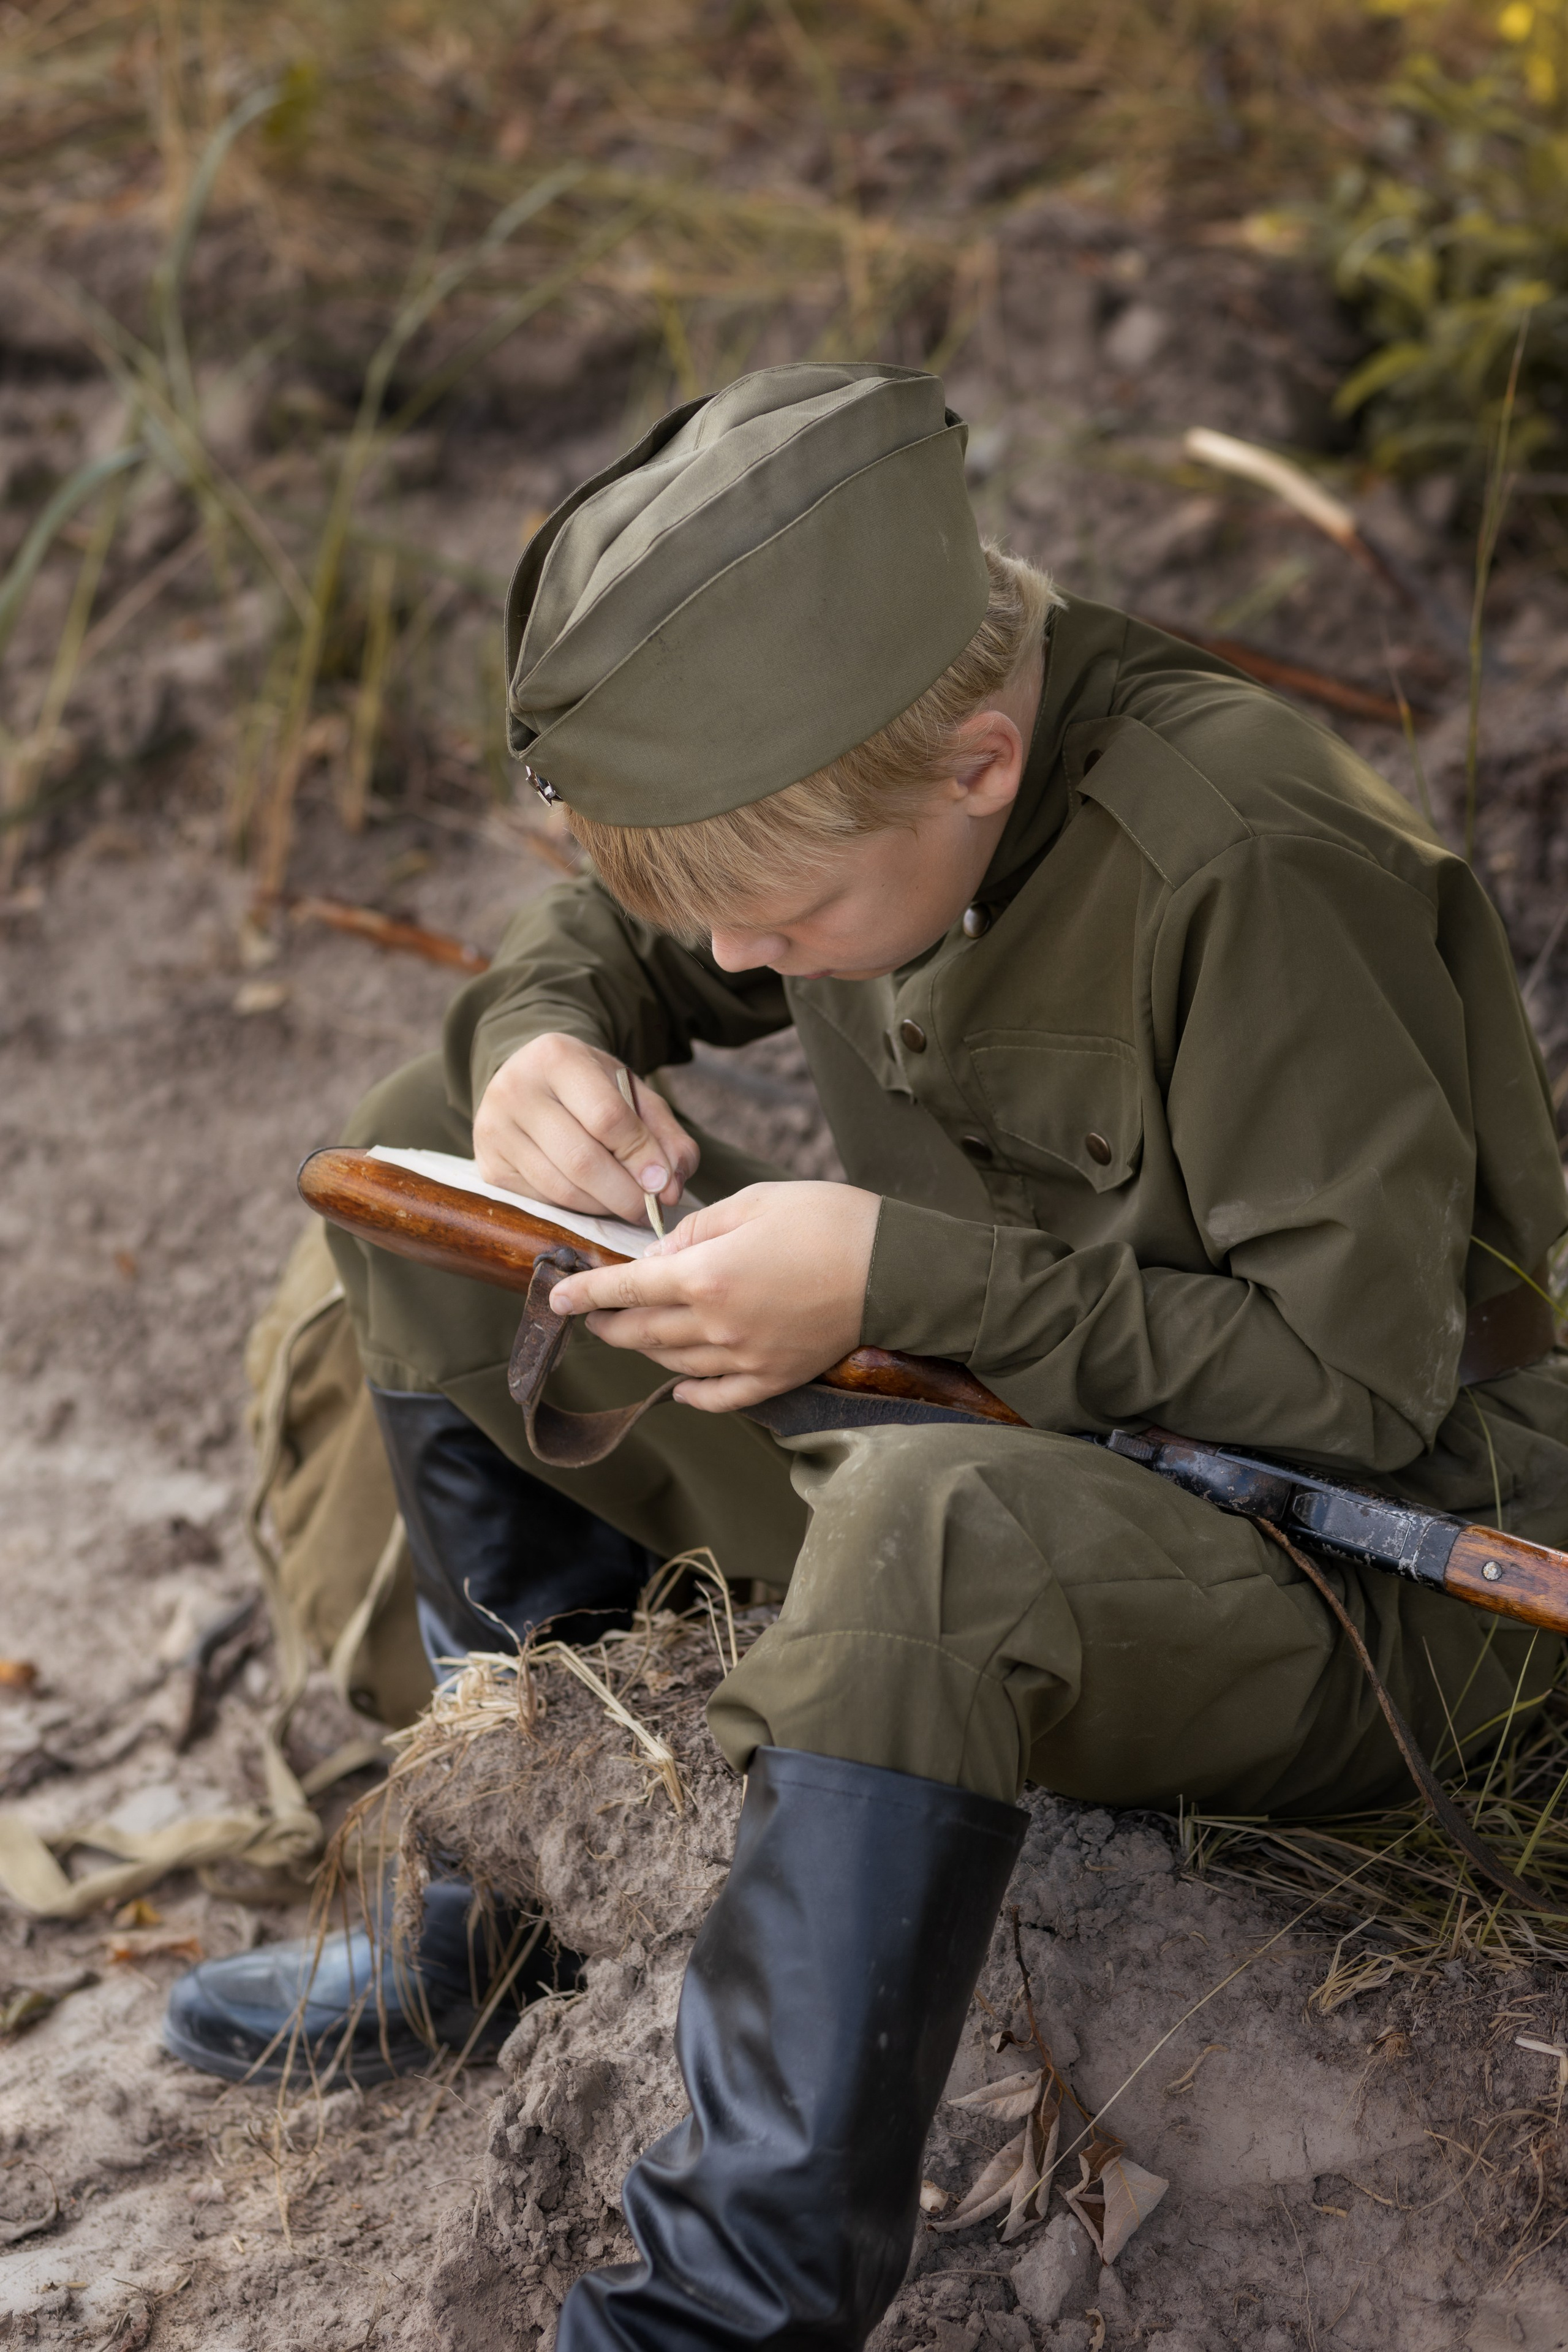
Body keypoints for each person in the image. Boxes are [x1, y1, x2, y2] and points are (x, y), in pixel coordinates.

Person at [166, 363, 1568, 2351]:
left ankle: (722, 2314)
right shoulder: (861, 788)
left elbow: (1368, 1398)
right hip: (1010, 1442)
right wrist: (539, 1047)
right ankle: (498, 1905)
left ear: (983, 764)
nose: (737, 970)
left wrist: (896, 1277)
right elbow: (636, 935)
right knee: (433, 1144)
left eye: (783, 921)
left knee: (929, 1527)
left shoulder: (1250, 858)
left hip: (1359, 1566)